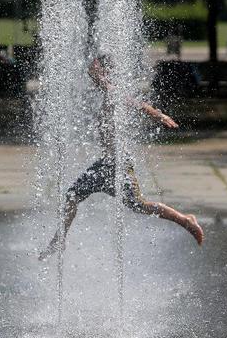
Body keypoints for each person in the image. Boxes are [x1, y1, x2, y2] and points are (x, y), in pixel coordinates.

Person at [39, 56, 204, 261]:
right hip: (104, 164)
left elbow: (138, 104)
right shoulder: (109, 92)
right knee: (72, 196)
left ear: (107, 74)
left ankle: (185, 219)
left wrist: (158, 116)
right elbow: (96, 75)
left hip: (119, 165)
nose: (94, 77)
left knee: (139, 205)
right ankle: (60, 240)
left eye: (100, 72)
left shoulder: (113, 91)